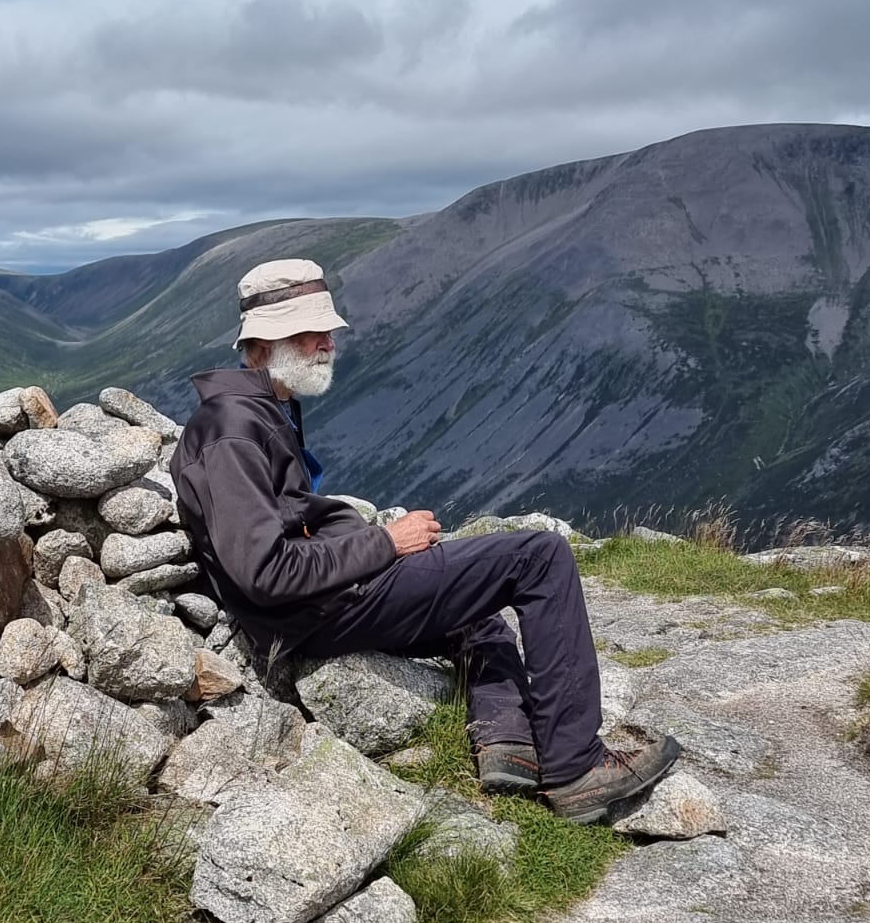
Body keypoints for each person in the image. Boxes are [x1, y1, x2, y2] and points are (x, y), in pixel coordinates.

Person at [170, 258, 679, 823]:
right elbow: (265, 573)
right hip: (319, 612)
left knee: (476, 608)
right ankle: (575, 768)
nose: (327, 341)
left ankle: (508, 743)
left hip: (324, 600)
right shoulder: (234, 429)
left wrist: (364, 540)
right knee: (540, 556)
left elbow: (285, 528)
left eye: (326, 328)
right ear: (266, 340)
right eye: (309, 331)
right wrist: (386, 543)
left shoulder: (263, 407)